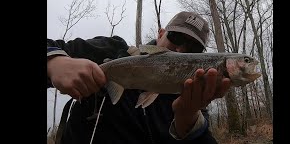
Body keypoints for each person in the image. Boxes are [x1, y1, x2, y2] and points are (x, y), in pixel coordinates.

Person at [47, 11, 231, 144]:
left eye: (193, 49)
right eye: (175, 37)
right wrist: (54, 61)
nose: (181, 49)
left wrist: (187, 120)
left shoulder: (192, 94)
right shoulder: (113, 51)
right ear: (160, 34)